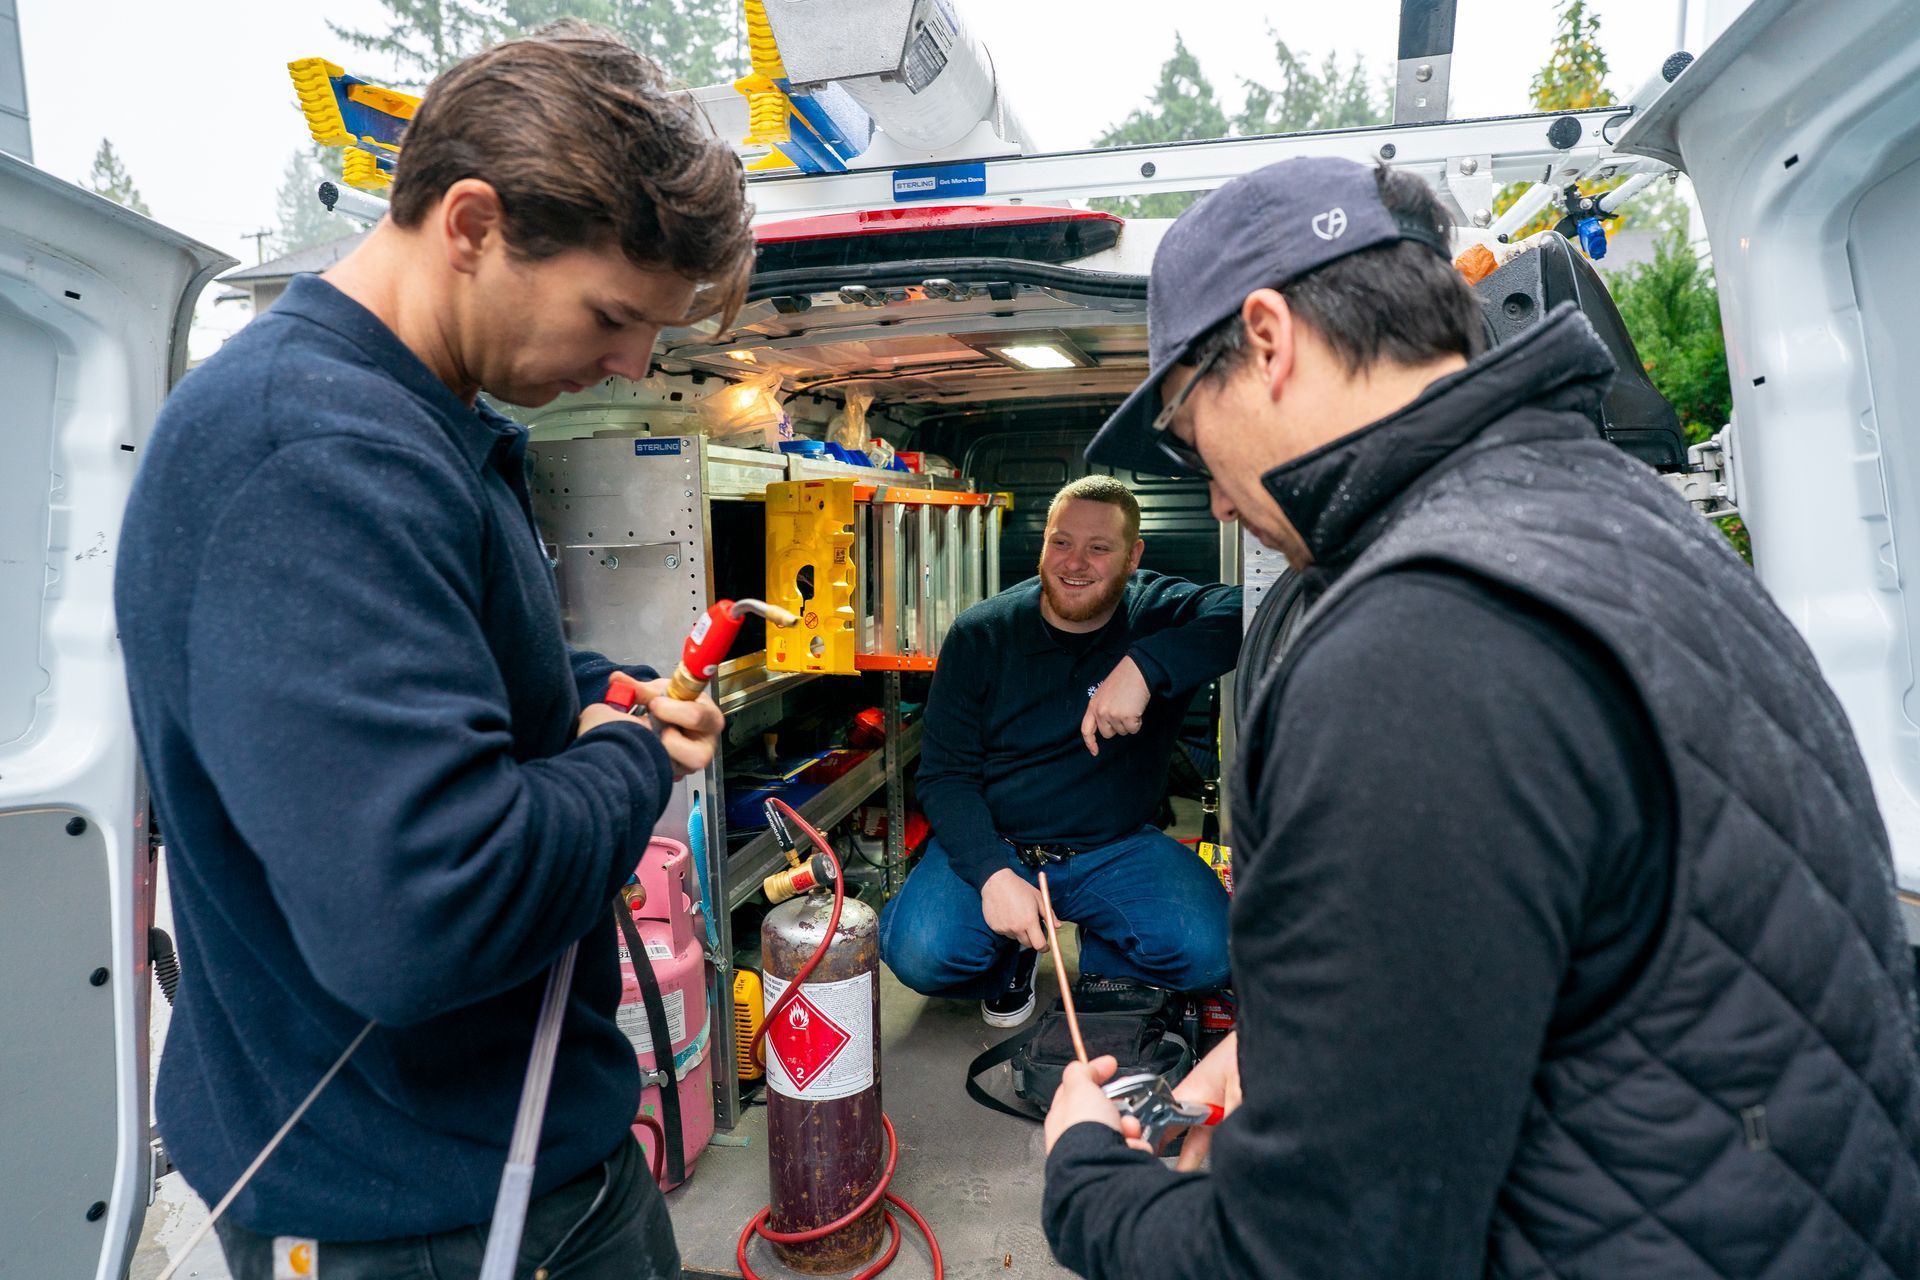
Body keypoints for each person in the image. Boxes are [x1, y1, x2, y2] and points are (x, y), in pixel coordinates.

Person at [1040, 156, 1920, 1278]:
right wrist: (1308, 1052)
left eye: (1183, 428)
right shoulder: (1617, 518)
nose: (1208, 489)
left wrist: (1088, 1180)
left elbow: (1308, 1257)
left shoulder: (1418, 643)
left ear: (1269, 336)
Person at [115, 24, 753, 1280]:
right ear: (471, 223)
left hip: (485, 1162)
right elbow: (429, 910)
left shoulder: (412, 420)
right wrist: (629, 759)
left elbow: (458, 687)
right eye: (615, 315)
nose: (631, 362)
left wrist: (588, 694)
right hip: (422, 1213)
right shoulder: (315, 458)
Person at [879, 475, 1240, 1026]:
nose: (1075, 563)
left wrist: (1148, 666)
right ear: (1043, 541)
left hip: (1115, 848)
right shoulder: (981, 635)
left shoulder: (1158, 610)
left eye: (1099, 548)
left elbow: (1256, 609)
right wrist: (993, 876)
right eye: (1061, 542)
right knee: (920, 954)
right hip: (1002, 842)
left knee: (1214, 953)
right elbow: (945, 777)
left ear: (1133, 554)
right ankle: (1011, 958)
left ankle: (1107, 961)